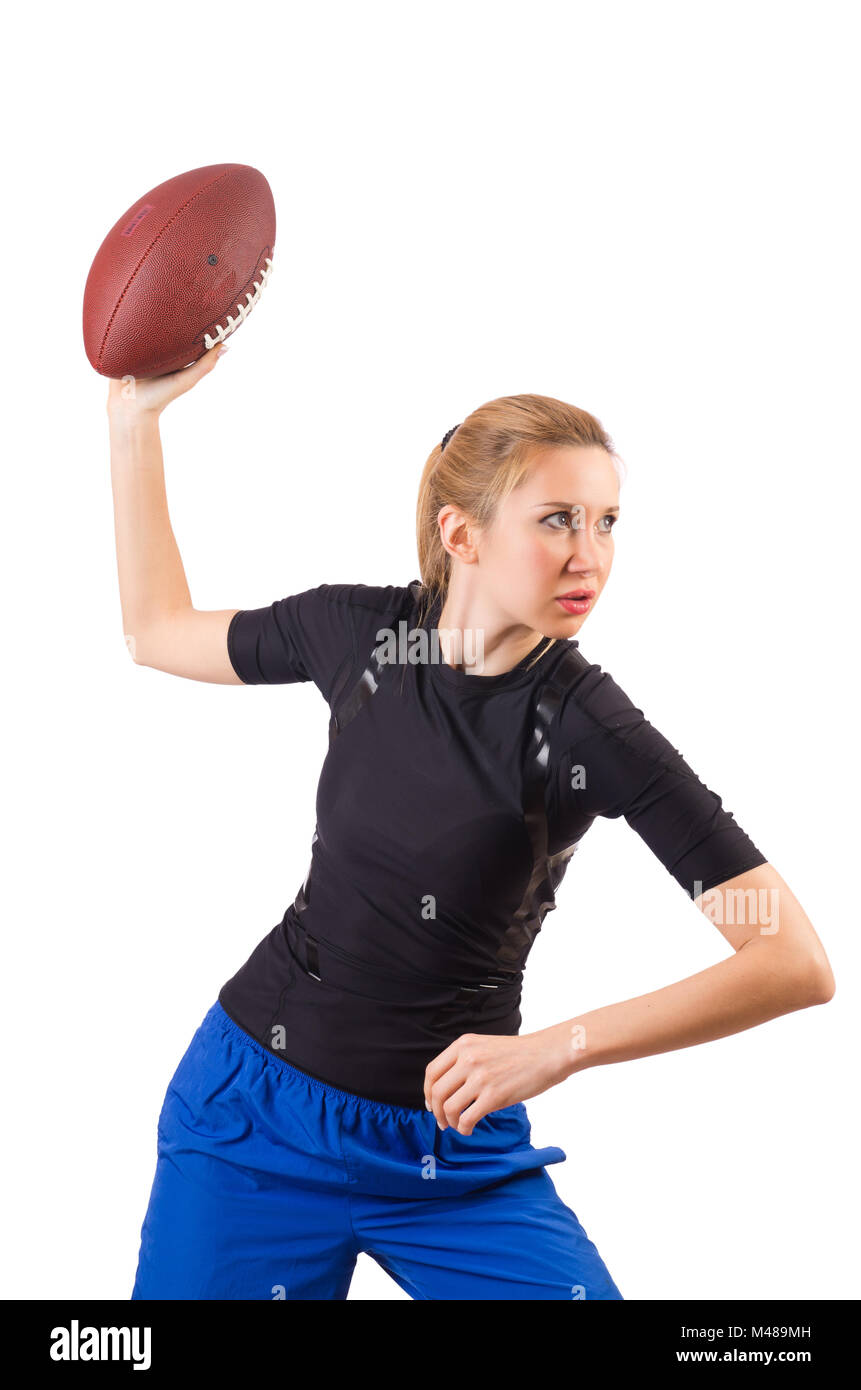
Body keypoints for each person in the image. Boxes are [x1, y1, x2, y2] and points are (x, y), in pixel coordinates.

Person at [109, 347, 834, 1300]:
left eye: (608, 522)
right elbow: (155, 631)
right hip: (253, 1117)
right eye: (558, 521)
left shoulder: (591, 726)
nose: (592, 555)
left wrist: (554, 1050)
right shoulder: (358, 636)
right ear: (462, 533)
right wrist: (134, 421)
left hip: (449, 1153)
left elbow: (790, 962)